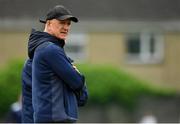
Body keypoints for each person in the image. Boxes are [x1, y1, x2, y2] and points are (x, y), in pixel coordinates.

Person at [22, 5, 88, 123]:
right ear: (48, 23)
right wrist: (77, 75)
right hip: (54, 120)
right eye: (62, 22)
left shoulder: (44, 50)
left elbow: (81, 98)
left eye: (68, 24)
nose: (66, 27)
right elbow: (78, 82)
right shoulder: (50, 50)